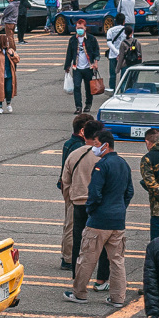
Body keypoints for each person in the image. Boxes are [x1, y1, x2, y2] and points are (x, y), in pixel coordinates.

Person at [65, 129, 134, 307]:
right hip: (118, 220)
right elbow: (129, 192)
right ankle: (118, 297)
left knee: (87, 257)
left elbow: (94, 193)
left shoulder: (102, 166)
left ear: (105, 145)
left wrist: (92, 209)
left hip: (99, 220)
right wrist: (120, 208)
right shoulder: (123, 164)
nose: (95, 148)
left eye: (96, 144)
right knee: (117, 260)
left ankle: (79, 293)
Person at [61, 120, 109, 286]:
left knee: (78, 242)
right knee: (102, 242)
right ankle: (101, 279)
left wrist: (70, 198)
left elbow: (65, 180)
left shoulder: (74, 154)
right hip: (98, 204)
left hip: (78, 202)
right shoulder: (101, 155)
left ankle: (77, 277)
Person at [58, 114, 94, 268]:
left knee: (70, 223)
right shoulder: (79, 148)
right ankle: (68, 258)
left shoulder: (68, 143)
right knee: (72, 225)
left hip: (68, 188)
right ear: (82, 131)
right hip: (75, 189)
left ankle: (68, 255)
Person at [64, 19, 100, 114]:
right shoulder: (72, 40)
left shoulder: (91, 39)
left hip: (88, 67)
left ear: (85, 28)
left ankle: (88, 105)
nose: (79, 30)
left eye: (81, 28)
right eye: (77, 28)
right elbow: (69, 54)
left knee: (88, 87)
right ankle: (78, 106)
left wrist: (96, 62)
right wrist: (67, 66)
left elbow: (96, 51)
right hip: (77, 68)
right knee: (77, 86)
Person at [0, 33, 19, 114]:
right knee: (0, 91)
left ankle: (8, 103)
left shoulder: (10, 51)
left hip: (9, 75)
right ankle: (0, 107)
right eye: (6, 42)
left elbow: (17, 59)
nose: (8, 44)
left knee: (9, 90)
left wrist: (12, 54)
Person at [105, 14, 128, 90]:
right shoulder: (127, 30)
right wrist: (121, 53)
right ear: (124, 21)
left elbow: (109, 42)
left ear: (115, 21)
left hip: (112, 55)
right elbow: (130, 42)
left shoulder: (110, 30)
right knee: (124, 76)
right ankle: (122, 91)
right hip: (124, 56)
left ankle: (112, 91)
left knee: (112, 75)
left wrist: (116, 52)